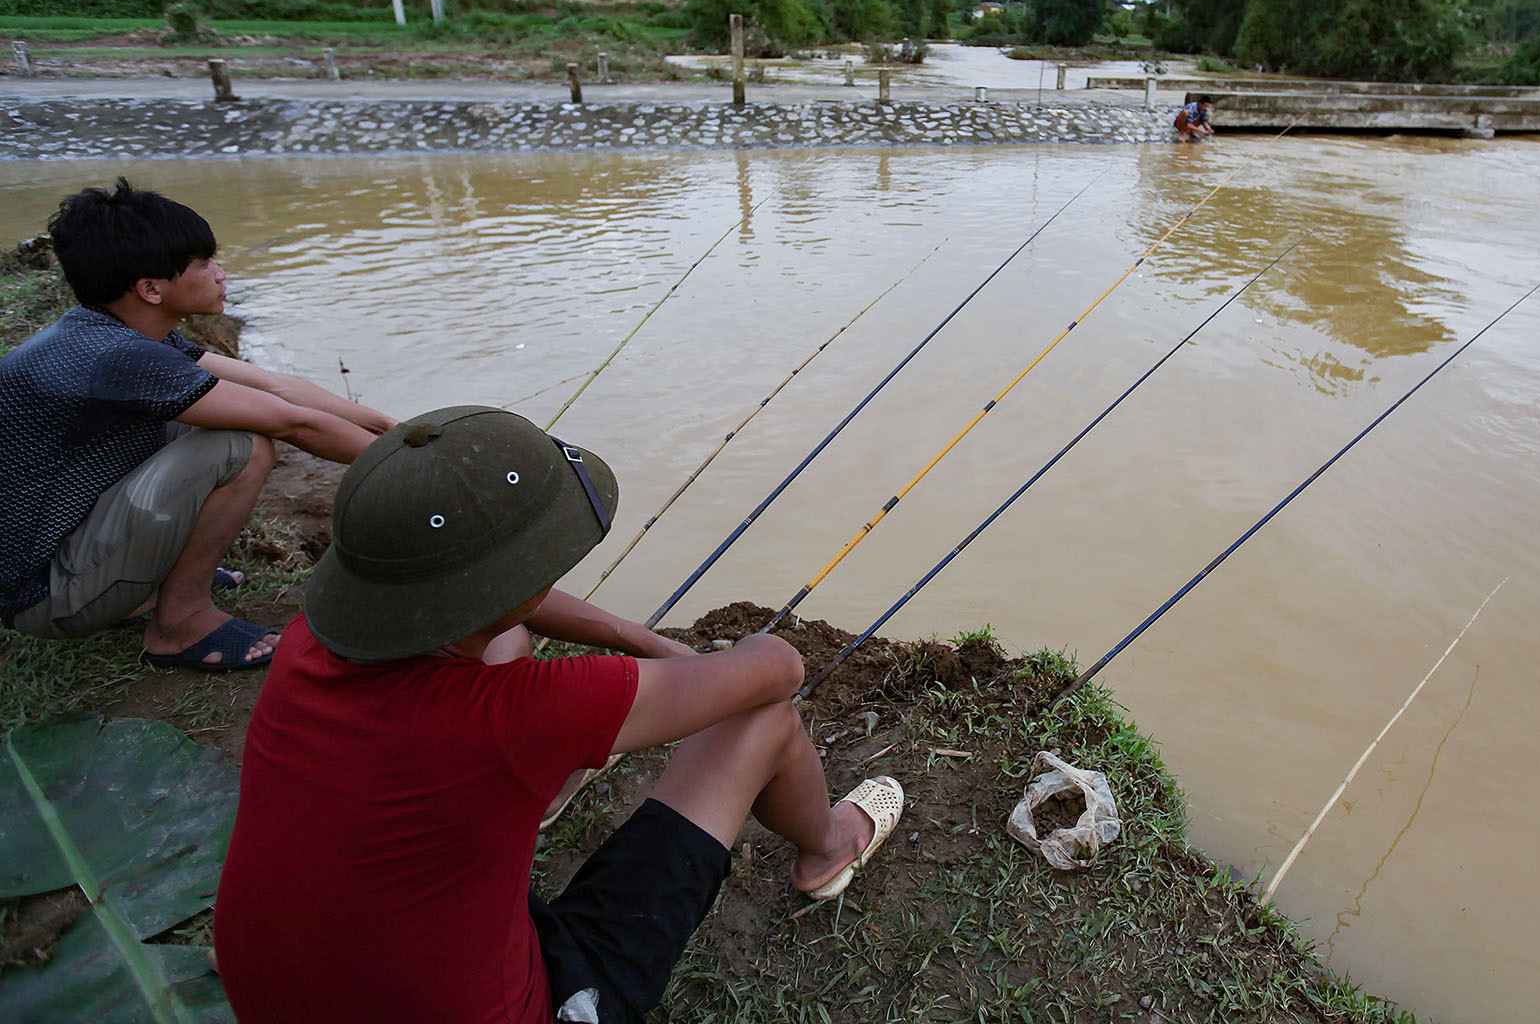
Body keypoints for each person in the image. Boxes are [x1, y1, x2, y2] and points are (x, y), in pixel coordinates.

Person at [213, 405, 904, 1024]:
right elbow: (777, 668)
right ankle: (830, 847)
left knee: (505, 646)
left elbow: (483, 605)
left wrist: (634, 638)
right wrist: (697, 662)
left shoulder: (311, 641)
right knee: (765, 718)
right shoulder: (519, 713)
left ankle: (550, 784)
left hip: (284, 993)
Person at [0, 179, 394, 670]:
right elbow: (292, 422)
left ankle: (152, 588)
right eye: (205, 264)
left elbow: (272, 386)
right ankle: (179, 623)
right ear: (150, 289)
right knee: (241, 443)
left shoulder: (110, 330)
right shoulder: (118, 355)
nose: (221, 274)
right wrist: (406, 464)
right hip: (47, 595)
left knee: (209, 416)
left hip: (58, 553)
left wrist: (386, 425)